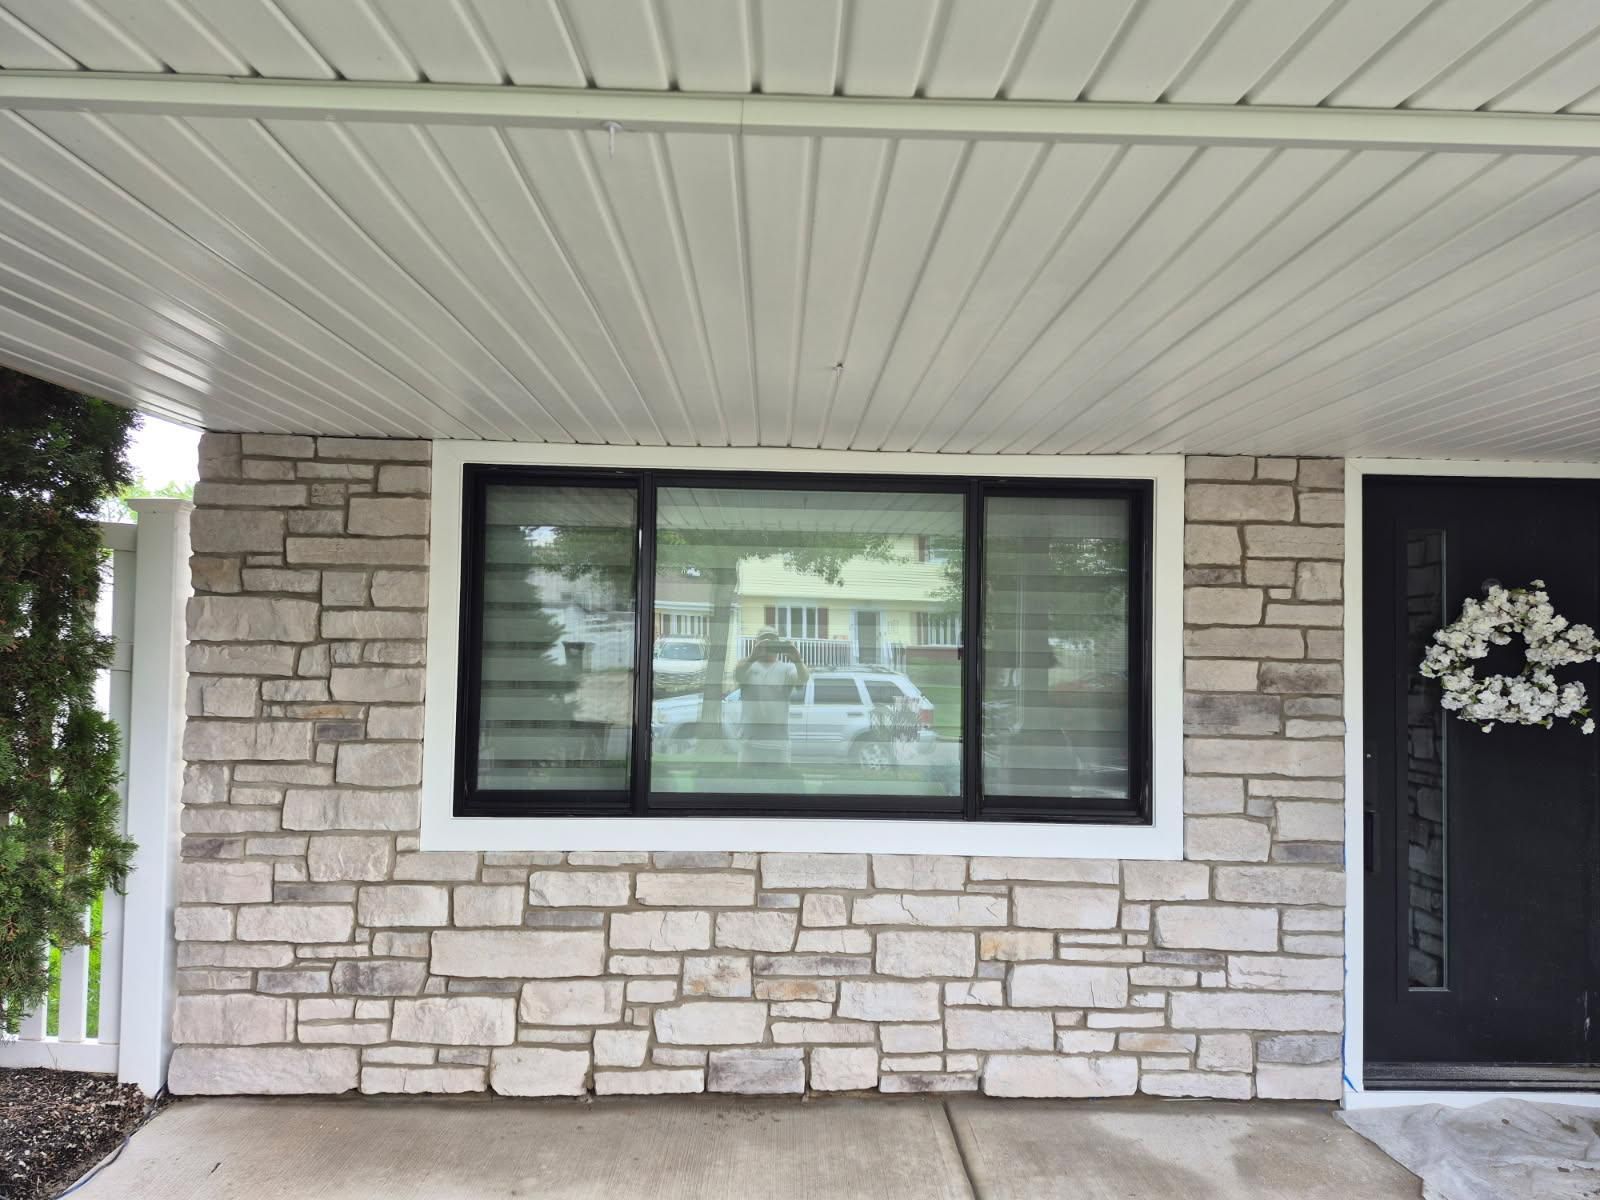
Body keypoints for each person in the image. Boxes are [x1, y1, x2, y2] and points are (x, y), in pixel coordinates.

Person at [733, 626, 809, 771]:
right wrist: (753, 656)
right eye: (763, 642)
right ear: (756, 644)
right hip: (750, 741)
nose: (768, 646)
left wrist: (797, 659)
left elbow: (803, 678)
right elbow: (738, 675)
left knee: (779, 787)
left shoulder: (788, 669)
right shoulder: (747, 666)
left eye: (772, 642)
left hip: (778, 742)